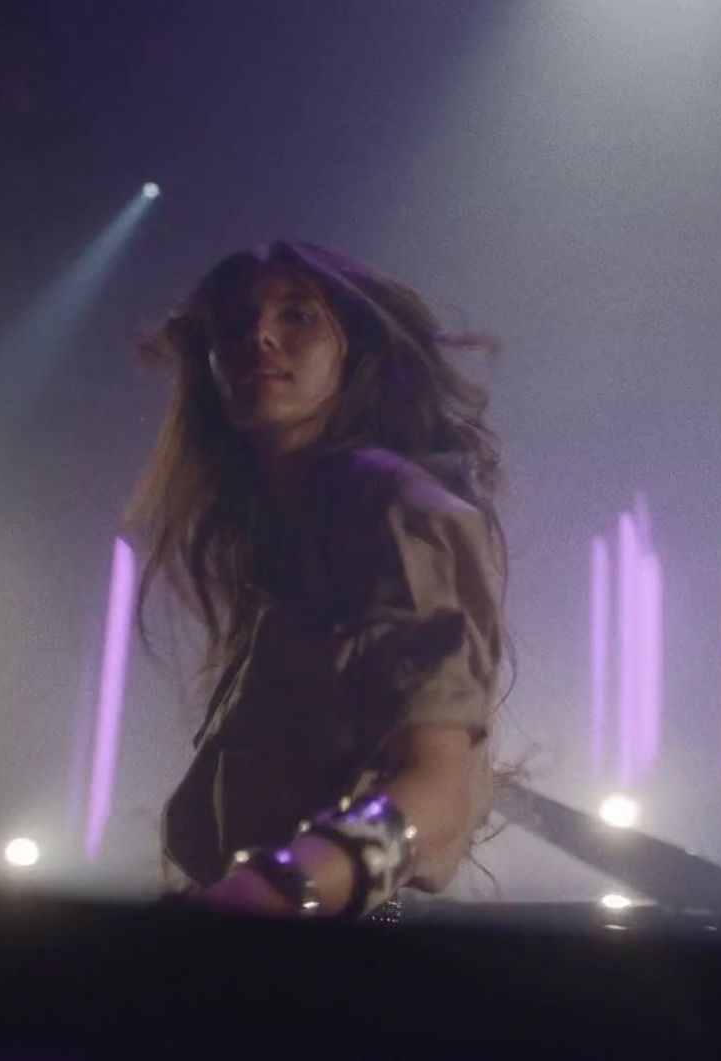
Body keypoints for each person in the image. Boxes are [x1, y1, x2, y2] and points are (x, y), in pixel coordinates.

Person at [128, 240, 507, 920]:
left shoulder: (390, 503)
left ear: (352, 350)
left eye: (297, 314)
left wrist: (279, 889)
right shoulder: (291, 536)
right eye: (235, 325)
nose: (260, 337)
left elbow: (437, 789)